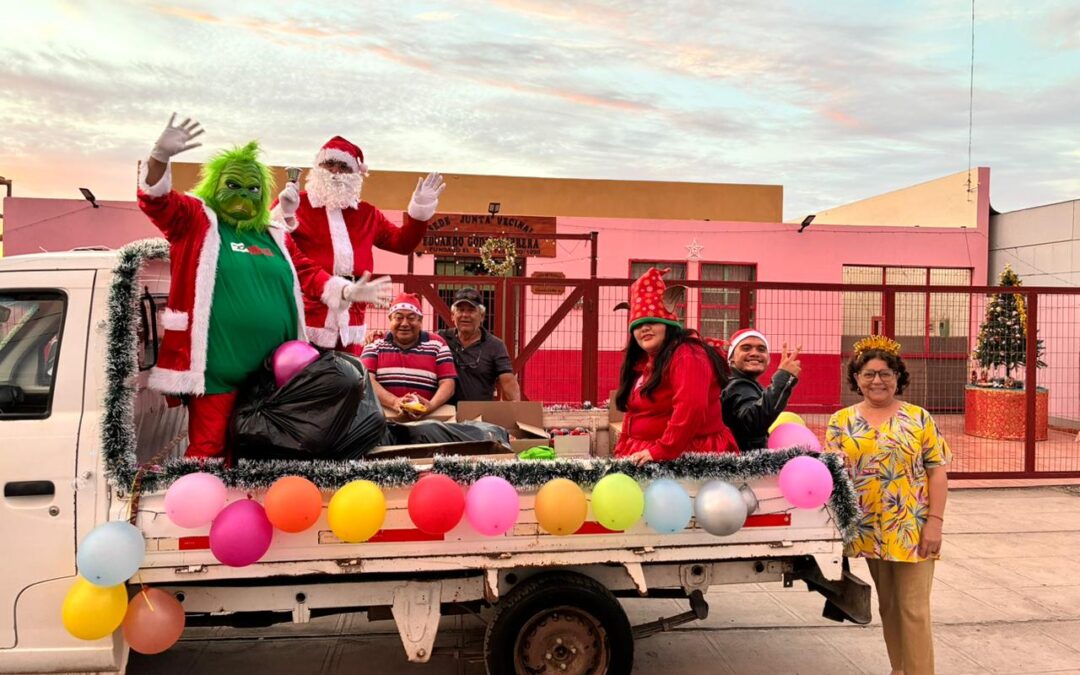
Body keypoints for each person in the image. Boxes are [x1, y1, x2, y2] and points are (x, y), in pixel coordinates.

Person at [137, 114, 385, 459]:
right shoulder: (198, 221)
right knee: (210, 448)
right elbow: (157, 201)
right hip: (218, 372)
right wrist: (159, 159)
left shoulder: (273, 235)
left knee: (269, 447)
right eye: (234, 185)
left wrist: (346, 291)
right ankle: (202, 511)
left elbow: (307, 271)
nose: (244, 195)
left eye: (254, 189)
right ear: (215, 186)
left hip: (275, 375)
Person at [825, 335, 950, 675]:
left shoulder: (919, 418)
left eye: (885, 373)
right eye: (868, 373)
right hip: (869, 531)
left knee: (914, 609)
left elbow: (937, 473)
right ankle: (900, 669)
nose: (877, 380)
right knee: (889, 607)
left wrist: (935, 523)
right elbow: (832, 478)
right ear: (856, 378)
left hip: (913, 528)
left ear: (898, 377)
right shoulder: (841, 422)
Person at [275, 136, 446, 352]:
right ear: (317, 167)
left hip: (351, 318)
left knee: (348, 379)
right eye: (329, 164)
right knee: (302, 380)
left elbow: (402, 244)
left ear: (357, 174)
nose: (335, 172)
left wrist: (419, 212)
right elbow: (278, 245)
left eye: (344, 166)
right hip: (305, 312)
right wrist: (283, 213)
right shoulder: (294, 203)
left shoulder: (367, 214)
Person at [613, 268, 739, 465]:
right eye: (637, 325)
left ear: (668, 324)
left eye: (653, 321)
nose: (644, 328)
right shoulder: (646, 362)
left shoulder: (688, 354)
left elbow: (691, 406)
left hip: (685, 457)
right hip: (652, 455)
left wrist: (663, 449)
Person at [360, 293, 456, 419]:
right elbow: (366, 380)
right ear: (390, 319)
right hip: (383, 420)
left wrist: (431, 405)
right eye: (398, 318)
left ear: (420, 321)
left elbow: (448, 383)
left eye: (411, 318)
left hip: (426, 422)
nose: (404, 324)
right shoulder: (376, 343)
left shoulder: (437, 344)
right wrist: (394, 402)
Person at [721, 328, 801, 451]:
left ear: (768, 359)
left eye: (761, 349)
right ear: (731, 358)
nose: (755, 353)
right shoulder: (738, 385)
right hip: (745, 467)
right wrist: (783, 377)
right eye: (746, 348)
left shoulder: (742, 383)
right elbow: (754, 423)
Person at [436, 287, 520, 402]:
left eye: (471, 310)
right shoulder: (441, 339)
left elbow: (508, 380)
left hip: (479, 415)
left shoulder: (495, 345)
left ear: (482, 316)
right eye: (460, 310)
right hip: (444, 412)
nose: (465, 315)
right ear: (452, 316)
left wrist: (518, 409)